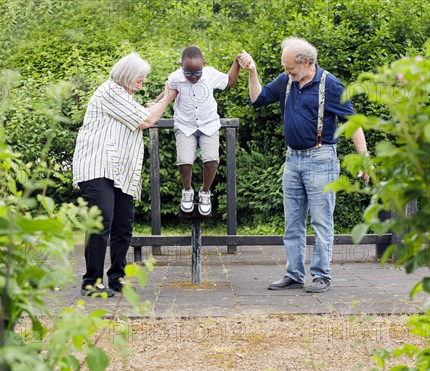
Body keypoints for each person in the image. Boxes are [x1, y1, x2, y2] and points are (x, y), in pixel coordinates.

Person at [238, 38, 369, 293]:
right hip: (293, 159)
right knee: (293, 222)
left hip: (321, 160)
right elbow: (258, 98)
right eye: (285, 68)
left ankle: (321, 276)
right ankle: (294, 274)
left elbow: (353, 122)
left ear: (307, 62)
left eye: (290, 69)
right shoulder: (287, 81)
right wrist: (252, 71)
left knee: (321, 222)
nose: (287, 73)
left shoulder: (330, 85)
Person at [72, 53, 176, 297]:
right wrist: (169, 96)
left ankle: (117, 278)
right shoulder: (110, 91)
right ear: (128, 76)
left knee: (123, 225)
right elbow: (148, 119)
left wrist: (163, 97)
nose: (142, 82)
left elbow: (145, 111)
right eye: (140, 78)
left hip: (119, 170)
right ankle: (91, 282)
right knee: (101, 223)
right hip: (98, 166)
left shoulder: (124, 95)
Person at [154, 46, 240, 215]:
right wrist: (154, 104)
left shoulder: (210, 74)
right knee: (184, 162)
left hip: (209, 124)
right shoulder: (175, 78)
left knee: (212, 160)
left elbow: (229, 81)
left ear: (204, 65)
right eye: (188, 73)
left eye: (197, 73)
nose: (193, 77)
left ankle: (205, 192)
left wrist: (236, 63)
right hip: (185, 125)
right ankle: (187, 191)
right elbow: (166, 95)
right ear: (181, 66)